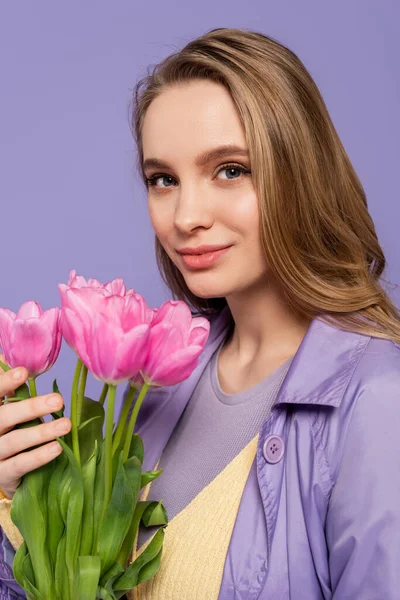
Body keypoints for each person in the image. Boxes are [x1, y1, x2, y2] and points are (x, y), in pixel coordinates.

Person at [1, 26, 400, 599]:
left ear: (301, 173)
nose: (185, 215)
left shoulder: (377, 402)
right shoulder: (161, 379)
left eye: (230, 170)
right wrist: (17, 515)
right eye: (162, 179)